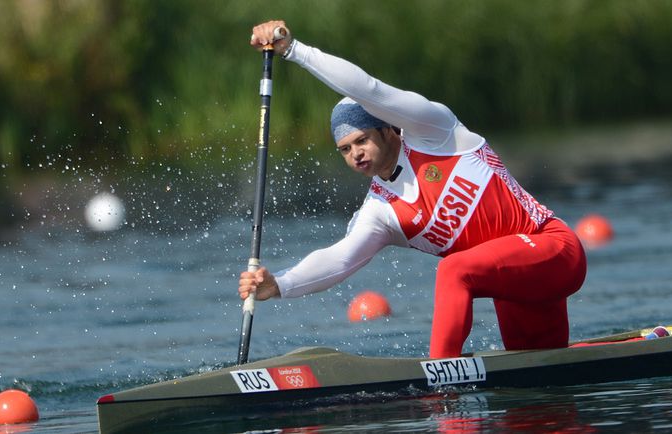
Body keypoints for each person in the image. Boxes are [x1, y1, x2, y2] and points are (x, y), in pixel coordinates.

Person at [240, 20, 587, 358]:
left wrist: (294, 50)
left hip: (554, 249)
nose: (356, 153)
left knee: (454, 270)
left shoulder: (435, 132)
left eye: (361, 140)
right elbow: (341, 258)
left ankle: (440, 383)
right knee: (538, 382)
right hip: (514, 288)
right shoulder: (380, 210)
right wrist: (280, 285)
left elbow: (369, 89)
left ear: (388, 129)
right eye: (345, 149)